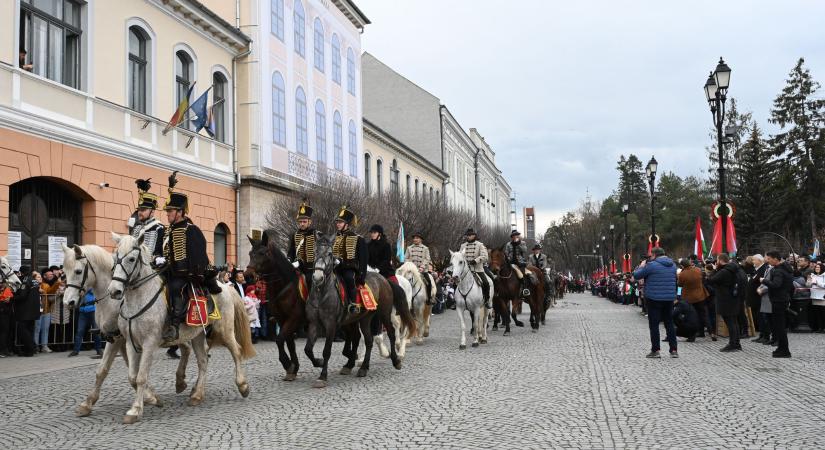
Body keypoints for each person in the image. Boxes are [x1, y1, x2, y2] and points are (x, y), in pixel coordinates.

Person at [156, 171, 219, 342]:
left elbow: (199, 255)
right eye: (167, 211)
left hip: (185, 274)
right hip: (167, 271)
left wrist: (194, 273)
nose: (167, 214)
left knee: (177, 288)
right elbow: (160, 251)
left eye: (170, 211)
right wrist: (157, 258)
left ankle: (174, 326)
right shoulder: (167, 230)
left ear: (180, 212)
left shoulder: (191, 230)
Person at [632, 247, 678, 358]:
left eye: (651, 255)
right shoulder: (673, 265)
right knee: (669, 324)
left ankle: (655, 350)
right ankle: (673, 350)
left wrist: (642, 266)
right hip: (669, 298)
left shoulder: (651, 265)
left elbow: (637, 275)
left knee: (654, 325)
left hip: (654, 298)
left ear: (654, 255)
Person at [332, 205, 368, 314]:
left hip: (349, 268)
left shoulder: (357, 238)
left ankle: (353, 304)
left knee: (349, 279)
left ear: (346, 224)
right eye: (337, 222)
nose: (338, 224)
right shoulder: (333, 237)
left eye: (340, 222)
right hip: (335, 268)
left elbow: (363, 259)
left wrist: (362, 275)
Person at [708, 254, 744, 352]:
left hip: (725, 300)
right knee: (734, 322)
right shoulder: (735, 269)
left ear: (719, 260)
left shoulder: (724, 271)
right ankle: (736, 343)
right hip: (734, 298)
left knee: (730, 322)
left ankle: (733, 344)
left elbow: (710, 280)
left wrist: (715, 269)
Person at [760, 251, 793, 358]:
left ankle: (784, 350)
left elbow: (776, 285)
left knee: (780, 326)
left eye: (769, 259)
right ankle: (781, 348)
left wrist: (764, 280)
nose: (767, 260)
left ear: (775, 259)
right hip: (781, 299)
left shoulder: (779, 271)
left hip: (779, 301)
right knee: (779, 326)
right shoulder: (783, 268)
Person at [677, 258, 710, 342]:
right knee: (703, 315)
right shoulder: (698, 270)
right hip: (701, 296)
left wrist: (678, 296)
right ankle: (710, 331)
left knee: (692, 317)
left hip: (689, 298)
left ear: (682, 266)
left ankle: (693, 334)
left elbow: (680, 285)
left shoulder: (682, 274)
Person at [287, 200, 317, 289]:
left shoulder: (315, 234)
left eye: (304, 221)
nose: (302, 224)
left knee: (309, 280)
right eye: (300, 222)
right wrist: (289, 260)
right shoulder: (295, 234)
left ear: (309, 222)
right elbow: (291, 250)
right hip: (298, 266)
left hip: (311, 268)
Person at [459, 228, 492, 309]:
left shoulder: (480, 245)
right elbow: (459, 257)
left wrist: (476, 260)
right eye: (467, 235)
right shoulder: (463, 246)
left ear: (474, 236)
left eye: (470, 235)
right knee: (456, 281)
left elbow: (485, 256)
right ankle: (455, 300)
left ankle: (487, 300)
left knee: (486, 283)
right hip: (466, 271)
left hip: (477, 269)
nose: (468, 237)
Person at [12, 266, 40, 357]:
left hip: (25, 311)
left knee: (22, 330)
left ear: (22, 272)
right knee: (29, 330)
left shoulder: (25, 280)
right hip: (34, 310)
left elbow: (23, 296)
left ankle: (31, 347)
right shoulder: (34, 280)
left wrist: (12, 298)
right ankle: (29, 351)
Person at [69, 291, 103, 358]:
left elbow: (94, 291)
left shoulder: (88, 285)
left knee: (96, 331)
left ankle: (99, 349)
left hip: (93, 310)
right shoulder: (81, 285)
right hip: (82, 311)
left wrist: (85, 291)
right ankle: (76, 350)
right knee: (79, 331)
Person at [405, 232, 435, 304]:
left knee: (428, 281)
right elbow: (405, 258)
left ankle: (429, 298)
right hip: (411, 270)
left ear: (421, 239)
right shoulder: (409, 248)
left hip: (422, 270)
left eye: (417, 238)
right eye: (414, 238)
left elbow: (427, 259)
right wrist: (409, 265)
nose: (415, 239)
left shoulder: (425, 248)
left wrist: (422, 267)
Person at [36, 268, 60, 353]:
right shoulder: (33, 286)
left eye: (39, 277)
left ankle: (44, 346)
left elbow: (51, 290)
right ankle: (35, 346)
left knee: (45, 329)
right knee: (37, 329)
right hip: (36, 311)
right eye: (37, 277)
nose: (39, 279)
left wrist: (57, 283)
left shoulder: (46, 285)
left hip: (46, 310)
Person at [805, 262, 825, 333]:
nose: (817, 269)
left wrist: (817, 283)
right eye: (816, 267)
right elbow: (808, 286)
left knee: (823, 313)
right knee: (816, 314)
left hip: (822, 297)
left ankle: (823, 327)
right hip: (814, 296)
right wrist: (809, 281)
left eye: (818, 267)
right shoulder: (812, 275)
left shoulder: (824, 275)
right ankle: (818, 327)